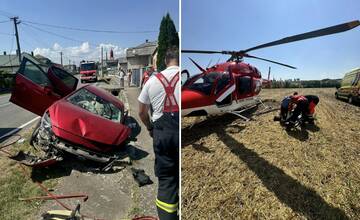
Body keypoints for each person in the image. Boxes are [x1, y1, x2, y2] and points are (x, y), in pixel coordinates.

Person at [137, 46, 179, 220]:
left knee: (167, 180)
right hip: (179, 131)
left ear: (164, 61)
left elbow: (141, 112)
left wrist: (150, 128)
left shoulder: (152, 81)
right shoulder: (185, 77)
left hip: (162, 134)